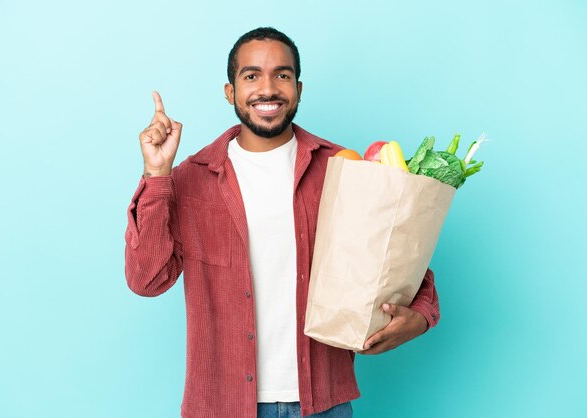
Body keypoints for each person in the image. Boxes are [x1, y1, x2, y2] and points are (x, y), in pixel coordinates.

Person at [125, 27, 440, 418]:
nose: (268, 88)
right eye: (251, 75)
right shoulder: (191, 179)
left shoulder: (342, 168)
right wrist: (157, 175)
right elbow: (147, 279)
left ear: (299, 88)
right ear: (230, 92)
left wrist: (423, 315)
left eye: (283, 75)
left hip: (322, 401)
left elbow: (396, 258)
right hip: (221, 405)